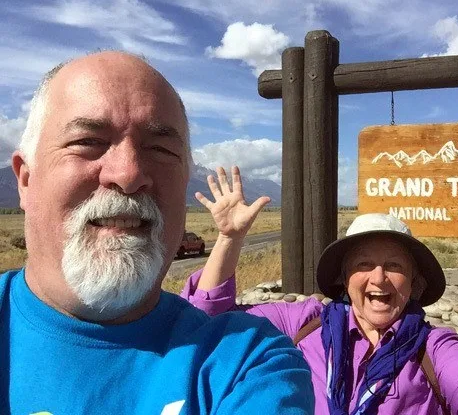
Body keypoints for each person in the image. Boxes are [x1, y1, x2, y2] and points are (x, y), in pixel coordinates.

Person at [0, 52, 314, 414]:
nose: (129, 173)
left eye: (161, 149)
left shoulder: (245, 365)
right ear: (26, 179)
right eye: (88, 141)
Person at [182, 166, 458, 414]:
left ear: (416, 283)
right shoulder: (302, 325)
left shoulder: (434, 351)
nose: (378, 278)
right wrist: (229, 239)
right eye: (363, 265)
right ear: (343, 278)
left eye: (394, 266)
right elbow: (207, 323)